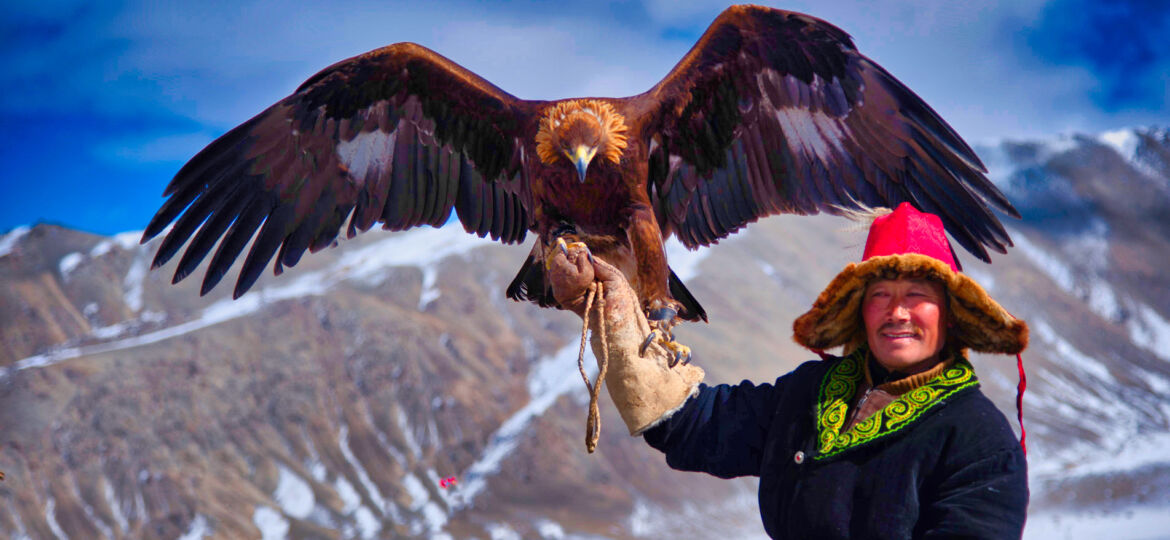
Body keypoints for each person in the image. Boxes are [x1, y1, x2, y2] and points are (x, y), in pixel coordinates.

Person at [546, 202, 1030, 539]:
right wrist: (611, 310)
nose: (897, 313)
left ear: (951, 313)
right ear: (860, 311)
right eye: (881, 295)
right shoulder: (810, 394)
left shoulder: (980, 440)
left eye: (918, 297)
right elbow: (692, 424)